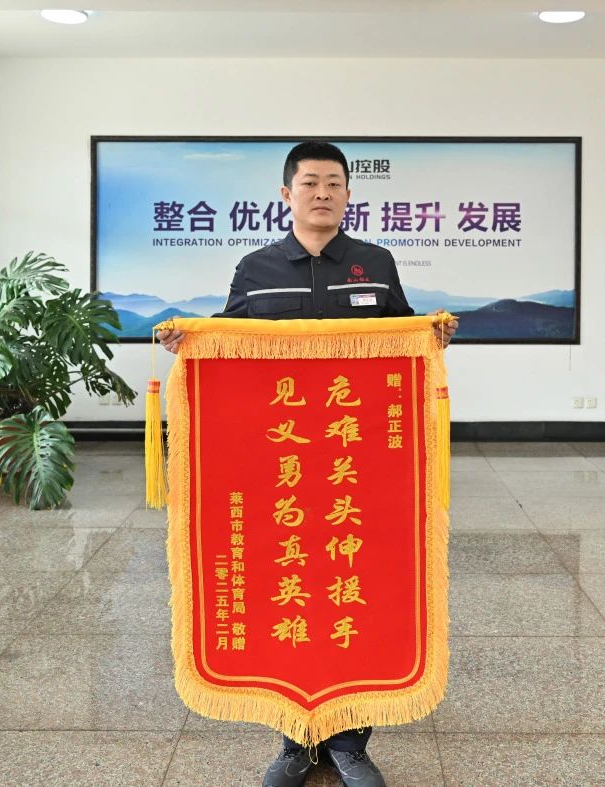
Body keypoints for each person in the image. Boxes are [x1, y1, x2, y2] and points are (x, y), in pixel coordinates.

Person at [157, 141, 457, 787]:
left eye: (334, 183)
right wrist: (190, 342)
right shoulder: (256, 267)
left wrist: (432, 337)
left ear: (348, 194)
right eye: (310, 182)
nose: (322, 193)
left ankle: (349, 742)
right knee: (286, 590)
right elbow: (229, 345)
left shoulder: (376, 263)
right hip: (281, 469)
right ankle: (295, 738)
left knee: (357, 591)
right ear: (286, 193)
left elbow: (403, 340)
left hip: (359, 468)